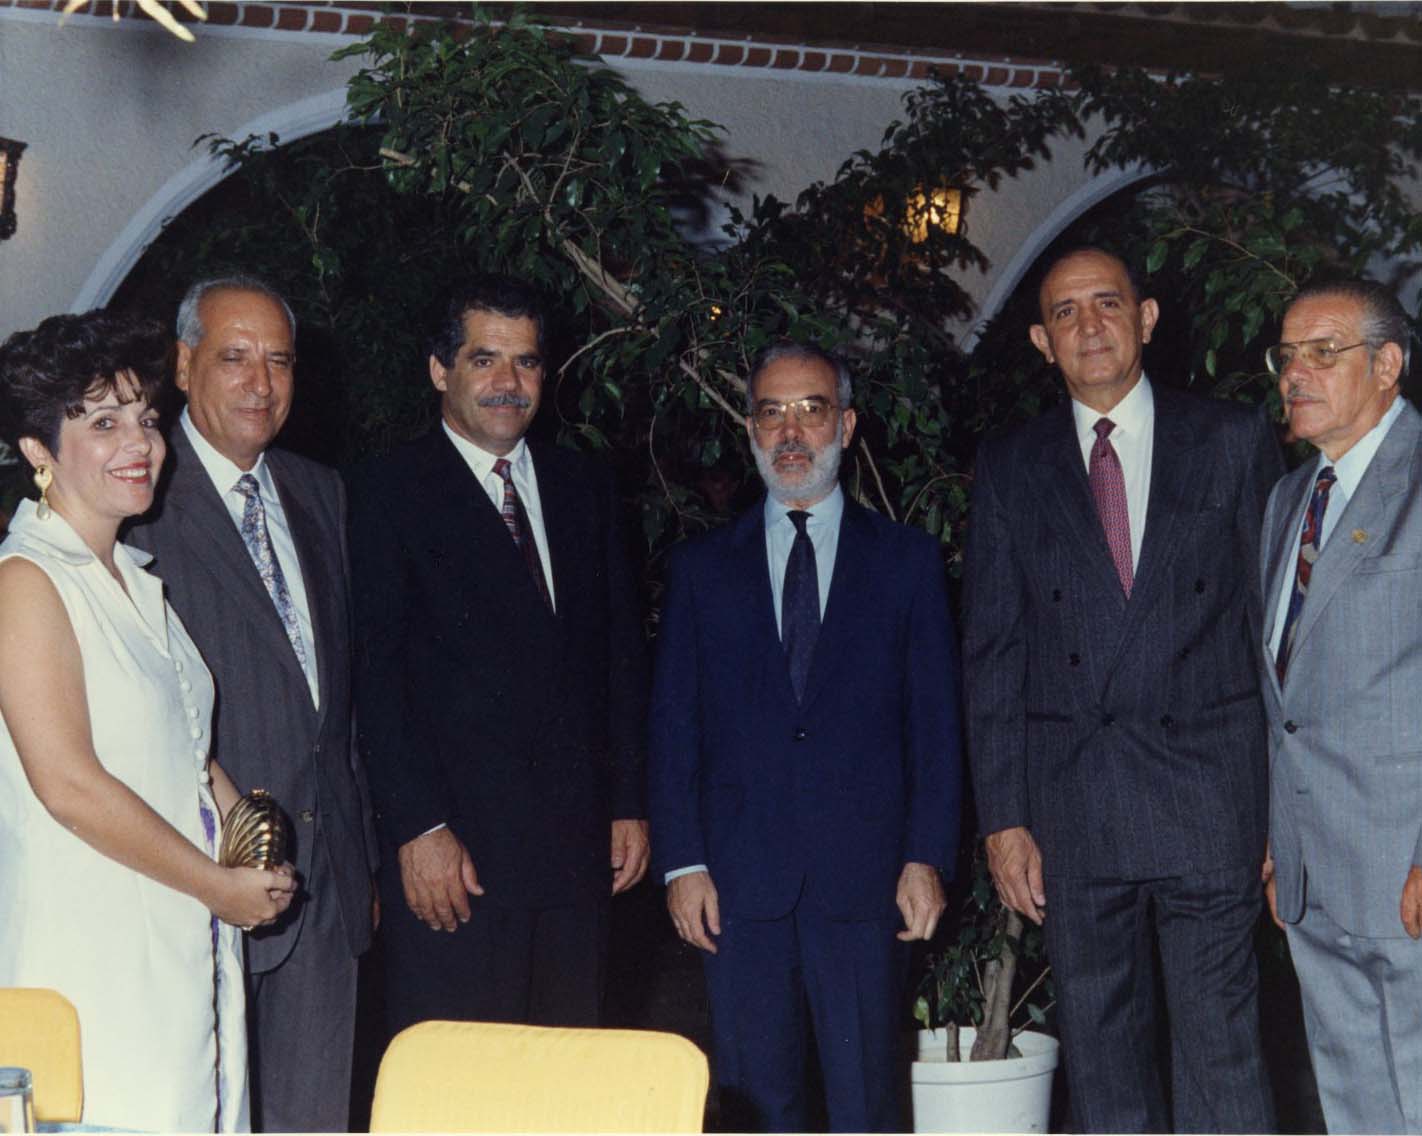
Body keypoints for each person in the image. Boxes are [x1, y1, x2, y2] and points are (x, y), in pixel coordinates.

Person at [962, 246, 1282, 1132]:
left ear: (1146, 318)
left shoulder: (1230, 439)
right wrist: (1004, 818)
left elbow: (1273, 635)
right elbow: (993, 651)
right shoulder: (1012, 465)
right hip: (1075, 807)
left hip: (1211, 797)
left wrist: (1279, 808)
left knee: (1222, 1055)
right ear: (1041, 341)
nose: (1089, 325)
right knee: (1103, 1067)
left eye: (1108, 303)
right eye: (1065, 312)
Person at [649, 340, 961, 1132]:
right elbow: (675, 726)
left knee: (866, 1105)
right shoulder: (700, 569)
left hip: (867, 884)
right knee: (756, 1109)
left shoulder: (907, 563)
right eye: (771, 412)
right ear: (750, 429)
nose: (790, 433)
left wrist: (926, 856)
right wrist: (683, 862)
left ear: (846, 426)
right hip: (737, 888)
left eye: (811, 410)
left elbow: (935, 726)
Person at [0, 310, 296, 1132]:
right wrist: (216, 886)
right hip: (92, 956)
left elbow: (189, 748)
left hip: (177, 941)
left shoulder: (133, 578)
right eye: (103, 423)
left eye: (147, 418)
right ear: (38, 451)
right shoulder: (27, 582)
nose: (140, 444)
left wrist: (252, 844)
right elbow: (67, 785)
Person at [347, 274, 649, 1031]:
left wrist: (628, 804)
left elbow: (619, 658)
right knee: (462, 1076)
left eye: (527, 362)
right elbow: (375, 676)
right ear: (439, 370)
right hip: (459, 863)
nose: (509, 383)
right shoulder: (384, 492)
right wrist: (418, 828)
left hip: (577, 856)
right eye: (485, 360)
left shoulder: (584, 487)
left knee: (567, 1072)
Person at [125, 277, 378, 1133]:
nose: (260, 383)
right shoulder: (137, 494)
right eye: (234, 357)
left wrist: (360, 854)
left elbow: (337, 701)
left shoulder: (320, 492)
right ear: (183, 364)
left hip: (325, 884)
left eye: (279, 360)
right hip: (197, 878)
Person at [1260, 278, 1422, 1133]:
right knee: (1356, 1107)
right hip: (1315, 870)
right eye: (1288, 356)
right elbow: (1286, 695)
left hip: (1404, 867)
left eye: (1324, 353)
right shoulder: (1290, 500)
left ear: (1388, 365)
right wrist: (1279, 837)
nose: (1297, 374)